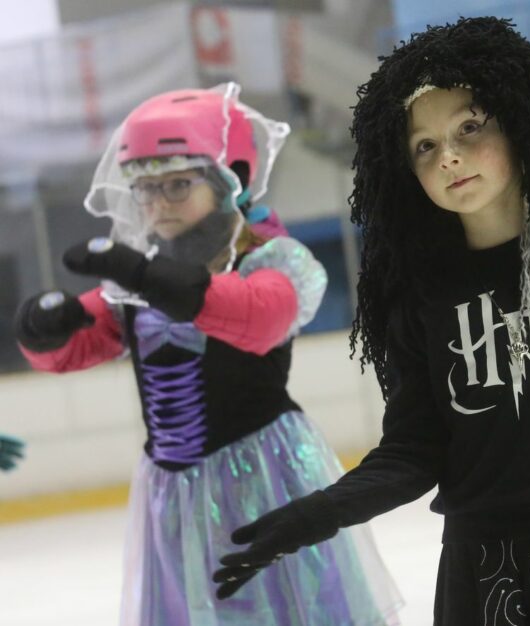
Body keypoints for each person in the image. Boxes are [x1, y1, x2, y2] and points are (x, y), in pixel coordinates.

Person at [213, 17, 530, 625]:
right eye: (425, 146)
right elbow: (413, 450)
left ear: (519, 121)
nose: (448, 156)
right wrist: (316, 513)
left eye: (470, 127)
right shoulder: (418, 297)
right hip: (485, 575)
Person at [14, 83, 402, 626]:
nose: (158, 203)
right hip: (171, 497)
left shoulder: (272, 257)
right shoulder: (137, 280)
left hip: (264, 477)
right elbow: (79, 343)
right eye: (145, 188)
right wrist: (44, 331)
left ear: (230, 178)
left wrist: (147, 276)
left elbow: (260, 317)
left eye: (177, 184)